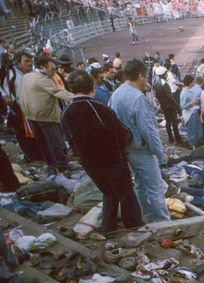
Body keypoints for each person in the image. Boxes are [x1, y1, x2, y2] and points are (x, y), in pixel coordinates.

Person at [61, 70, 144, 234]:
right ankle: (133, 226)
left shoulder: (66, 113)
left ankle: (108, 228)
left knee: (108, 193)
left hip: (89, 163)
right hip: (112, 160)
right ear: (91, 86)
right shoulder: (98, 108)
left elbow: (71, 143)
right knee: (126, 193)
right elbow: (121, 133)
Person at [109, 59, 171, 224]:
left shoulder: (116, 94)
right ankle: (164, 223)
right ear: (141, 76)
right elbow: (149, 132)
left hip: (126, 148)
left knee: (141, 186)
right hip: (140, 149)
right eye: (146, 76)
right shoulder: (138, 98)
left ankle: (149, 218)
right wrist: (160, 153)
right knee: (156, 187)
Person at [18, 53, 74, 173]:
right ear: (43, 67)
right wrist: (79, 98)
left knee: (43, 143)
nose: (54, 72)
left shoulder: (27, 76)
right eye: (52, 69)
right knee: (55, 143)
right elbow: (60, 93)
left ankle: (51, 165)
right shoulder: (43, 79)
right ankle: (63, 166)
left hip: (31, 116)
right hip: (46, 117)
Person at [1, 50, 41, 163]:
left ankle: (39, 156)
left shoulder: (29, 73)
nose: (29, 63)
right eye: (26, 61)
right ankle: (34, 158)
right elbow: (6, 91)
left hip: (31, 107)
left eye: (30, 61)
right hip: (18, 110)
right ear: (18, 63)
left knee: (34, 133)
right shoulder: (12, 74)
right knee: (25, 135)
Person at [153, 66, 181, 144]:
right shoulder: (165, 84)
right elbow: (170, 97)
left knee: (168, 122)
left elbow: (157, 96)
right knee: (174, 122)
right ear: (163, 74)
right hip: (170, 106)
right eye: (166, 74)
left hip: (163, 106)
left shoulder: (156, 83)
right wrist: (177, 106)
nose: (167, 75)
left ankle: (170, 138)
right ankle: (177, 138)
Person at [179, 75, 202, 147]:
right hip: (189, 114)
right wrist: (192, 102)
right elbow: (182, 106)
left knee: (198, 130)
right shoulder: (184, 92)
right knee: (192, 132)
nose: (193, 83)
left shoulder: (189, 90)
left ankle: (198, 145)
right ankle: (193, 147)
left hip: (194, 112)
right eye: (193, 82)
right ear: (190, 83)